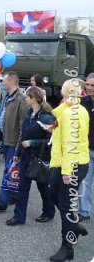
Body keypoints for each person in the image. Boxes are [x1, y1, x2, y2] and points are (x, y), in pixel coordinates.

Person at [48, 78, 89, 261]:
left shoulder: (75, 113)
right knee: (53, 196)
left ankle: (67, 246)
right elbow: (58, 115)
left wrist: (67, 171)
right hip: (63, 162)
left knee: (65, 205)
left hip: (72, 164)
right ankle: (75, 226)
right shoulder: (68, 110)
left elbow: (71, 144)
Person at [5, 86, 55, 226]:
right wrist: (18, 152)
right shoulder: (28, 114)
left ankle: (49, 212)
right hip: (26, 157)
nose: (25, 99)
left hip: (39, 158)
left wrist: (33, 143)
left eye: (27, 97)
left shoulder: (46, 118)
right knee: (22, 187)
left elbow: (51, 140)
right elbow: (23, 135)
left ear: (33, 99)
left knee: (43, 187)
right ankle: (19, 216)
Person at [0, 71, 28, 212]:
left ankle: (2, 202)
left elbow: (22, 124)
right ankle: (14, 195)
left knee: (8, 171)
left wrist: (18, 145)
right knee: (11, 170)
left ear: (11, 82)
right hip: (5, 139)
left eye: (3, 81)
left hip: (13, 142)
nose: (2, 83)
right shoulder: (6, 96)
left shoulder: (21, 99)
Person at [79, 73, 94, 222]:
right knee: (86, 181)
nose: (89, 88)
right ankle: (84, 211)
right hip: (87, 149)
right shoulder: (83, 102)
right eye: (87, 85)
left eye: (92, 85)